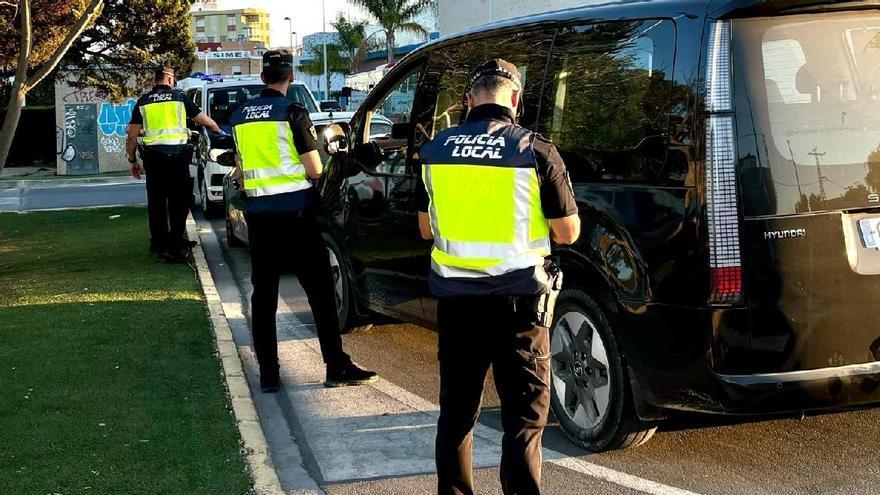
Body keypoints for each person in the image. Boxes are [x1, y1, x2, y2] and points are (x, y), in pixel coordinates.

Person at [416, 59, 581, 495]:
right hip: (519, 308)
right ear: (516, 100)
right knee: (524, 420)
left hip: (457, 305)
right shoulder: (536, 150)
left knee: (457, 414)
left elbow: (426, 228)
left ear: (469, 100)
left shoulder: (434, 151)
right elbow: (567, 232)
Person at [229, 50, 378, 393]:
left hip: (260, 219)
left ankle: (269, 374)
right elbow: (315, 169)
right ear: (290, 77)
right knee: (321, 293)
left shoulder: (239, 116)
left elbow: (240, 169)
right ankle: (335, 365)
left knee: (263, 297)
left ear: (263, 76)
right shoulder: (293, 112)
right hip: (297, 215)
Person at [126, 67, 223, 262]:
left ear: (156, 80)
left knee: (157, 203)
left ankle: (159, 244)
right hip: (177, 158)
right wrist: (219, 132)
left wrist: (132, 160)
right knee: (179, 202)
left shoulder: (143, 101)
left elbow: (132, 135)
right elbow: (205, 122)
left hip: (154, 160)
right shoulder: (180, 98)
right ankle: (175, 245)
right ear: (170, 80)